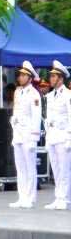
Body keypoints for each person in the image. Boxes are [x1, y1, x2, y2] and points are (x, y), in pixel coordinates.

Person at [9, 60, 42, 209]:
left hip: (29, 135)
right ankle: (22, 197)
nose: (20, 77)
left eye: (23, 75)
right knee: (20, 168)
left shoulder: (34, 94)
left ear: (30, 77)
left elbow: (36, 117)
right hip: (18, 134)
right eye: (20, 75)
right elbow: (16, 111)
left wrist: (34, 137)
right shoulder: (17, 91)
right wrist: (13, 120)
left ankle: (30, 197)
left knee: (30, 167)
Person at [45, 61, 70, 210]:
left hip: (63, 136)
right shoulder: (50, 96)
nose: (51, 79)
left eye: (54, 76)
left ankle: (65, 199)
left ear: (61, 78)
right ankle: (58, 197)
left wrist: (70, 138)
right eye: (51, 76)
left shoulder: (68, 95)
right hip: (52, 136)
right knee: (56, 169)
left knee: (64, 169)